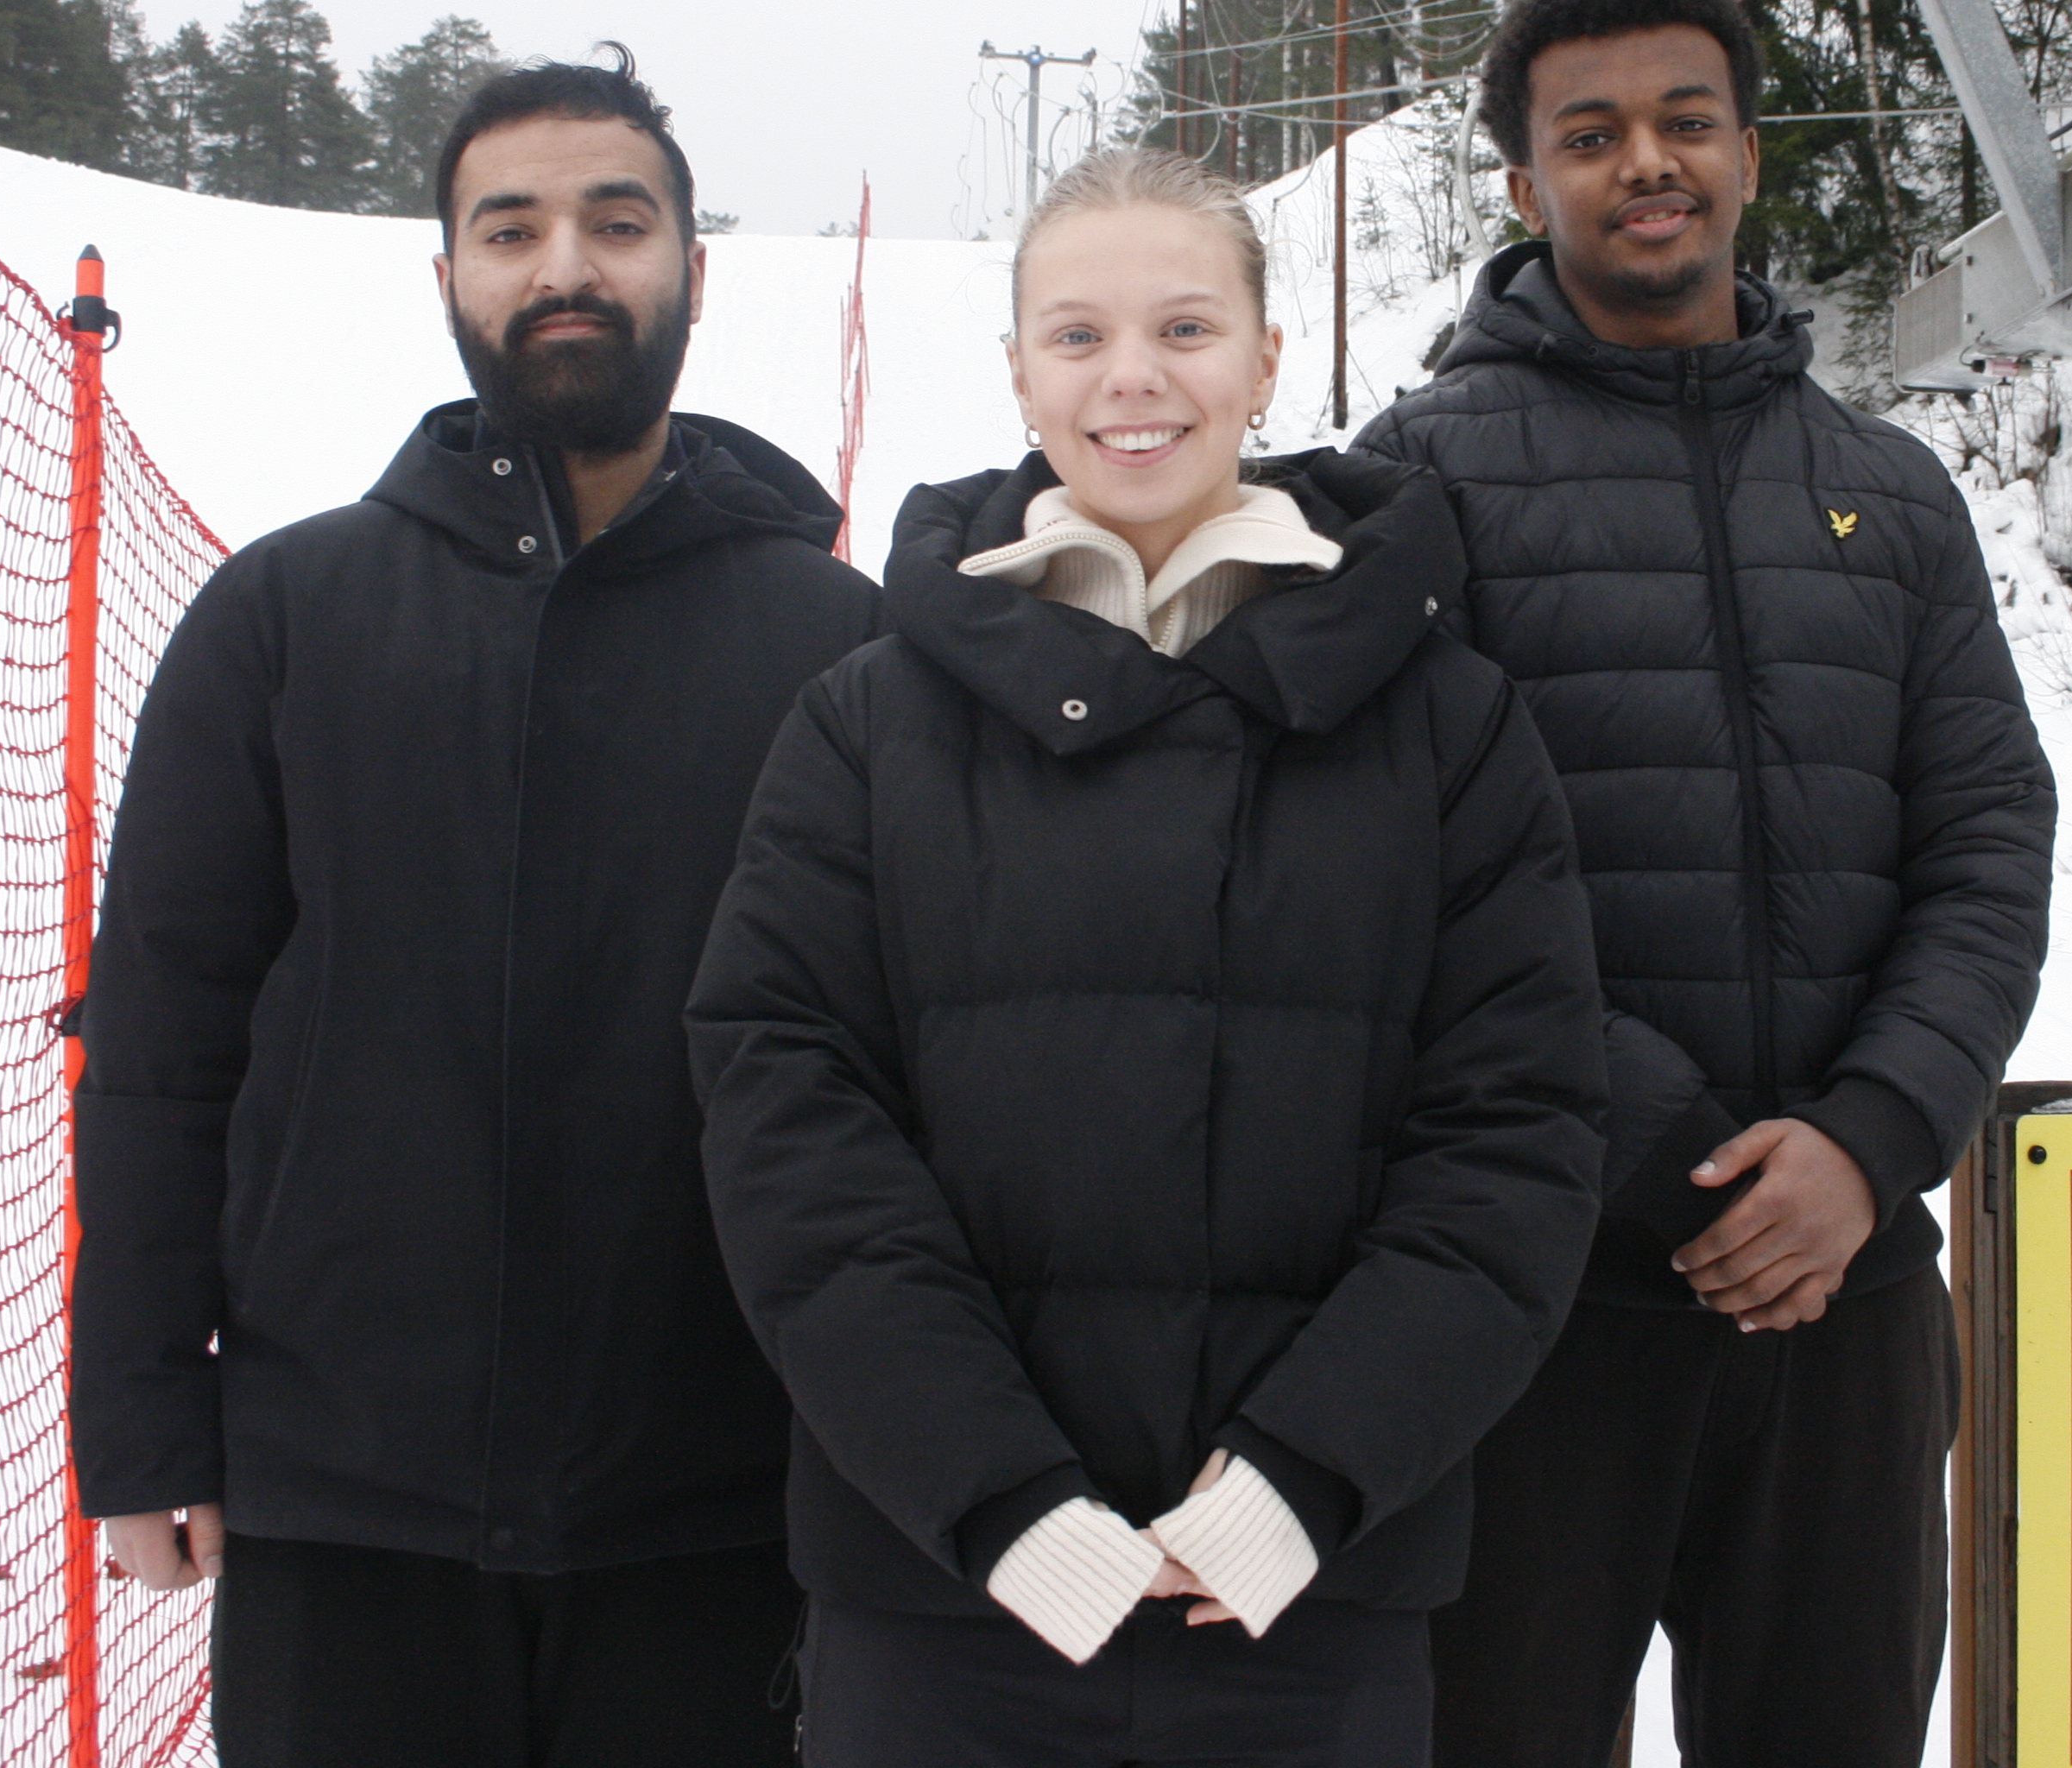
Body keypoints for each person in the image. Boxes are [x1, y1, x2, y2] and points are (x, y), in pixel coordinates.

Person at [687, 145, 1608, 1768]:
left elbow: (1517, 1129)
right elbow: (790, 1119)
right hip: (942, 1607)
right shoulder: (869, 723)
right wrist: (994, 1494)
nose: (1132, 377)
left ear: (1265, 359)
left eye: (1185, 329)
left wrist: (1300, 1480)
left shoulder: (1449, 728)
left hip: (1306, 1610)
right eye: (1078, 335)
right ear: (1019, 372)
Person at [71, 51, 881, 1765]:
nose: (564, 265)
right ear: (447, 275)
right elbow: (161, 1040)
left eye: (616, 223)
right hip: (347, 1503)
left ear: (694, 269)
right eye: (510, 230)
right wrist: (141, 1416)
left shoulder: (838, 645)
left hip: (723, 1507)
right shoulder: (280, 617)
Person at [1354, 0, 2056, 1768]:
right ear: (1527, 188)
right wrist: (1686, 1167)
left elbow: (1987, 844)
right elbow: (1393, 887)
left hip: (1849, 1302)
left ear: (1748, 153)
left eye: (1685, 121)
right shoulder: (1419, 486)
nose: (1646, 162)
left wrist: (1870, 1142)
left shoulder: (1891, 494)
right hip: (1529, 1296)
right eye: (1591, 135)